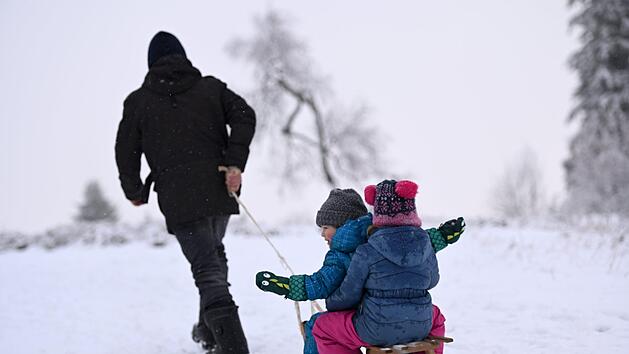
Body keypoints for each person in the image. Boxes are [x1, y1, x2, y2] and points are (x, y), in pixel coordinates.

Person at [115, 31, 255, 354]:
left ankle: (234, 348)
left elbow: (125, 151)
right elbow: (246, 115)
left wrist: (135, 190)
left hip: (179, 199)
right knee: (212, 257)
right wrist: (234, 164)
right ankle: (208, 333)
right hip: (219, 192)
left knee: (208, 269)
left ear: (151, 64)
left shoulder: (139, 102)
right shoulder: (210, 88)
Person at [255, 187, 464, 353]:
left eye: (325, 227)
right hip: (413, 320)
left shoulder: (345, 255)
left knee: (317, 326)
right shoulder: (382, 237)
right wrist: (442, 236)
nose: (322, 234)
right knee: (435, 315)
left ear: (342, 226)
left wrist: (286, 286)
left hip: (370, 319)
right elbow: (417, 244)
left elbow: (320, 283)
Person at [311, 180, 448, 354]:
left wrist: (331, 303)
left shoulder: (367, 250)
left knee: (323, 327)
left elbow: (349, 294)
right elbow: (433, 280)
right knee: (437, 315)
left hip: (375, 328)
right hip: (420, 325)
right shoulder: (426, 244)